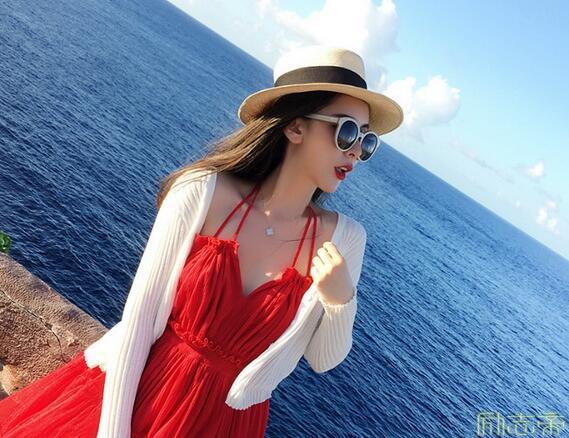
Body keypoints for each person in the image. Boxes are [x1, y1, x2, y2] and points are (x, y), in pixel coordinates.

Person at [0, 45, 403, 437]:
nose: (356, 152)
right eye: (346, 131)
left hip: (230, 425)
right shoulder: (202, 191)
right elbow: (139, 324)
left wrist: (340, 300)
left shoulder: (345, 238)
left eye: (367, 140)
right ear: (295, 126)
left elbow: (324, 359)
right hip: (138, 398)